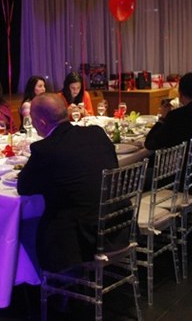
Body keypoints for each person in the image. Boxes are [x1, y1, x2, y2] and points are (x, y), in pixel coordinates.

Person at [17, 93, 120, 272]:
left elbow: (24, 187)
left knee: (26, 227)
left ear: (41, 122)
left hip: (79, 240)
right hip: (117, 225)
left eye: (32, 119)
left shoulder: (46, 149)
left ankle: (28, 279)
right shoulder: (96, 133)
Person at [144, 72, 192, 151]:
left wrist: (162, 119)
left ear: (180, 94)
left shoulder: (176, 116)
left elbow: (150, 144)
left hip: (180, 158)